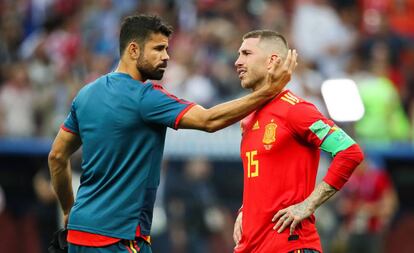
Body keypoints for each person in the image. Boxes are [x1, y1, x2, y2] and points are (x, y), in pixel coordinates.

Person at [48, 15, 298, 253]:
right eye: (158, 49)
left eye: (166, 49)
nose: (166, 56)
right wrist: (267, 92)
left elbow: (57, 157)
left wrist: (69, 209)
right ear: (133, 50)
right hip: (118, 237)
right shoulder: (145, 97)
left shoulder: (86, 95)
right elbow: (209, 120)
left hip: (79, 234)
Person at [232, 30, 364, 253]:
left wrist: (308, 204)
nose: (237, 62)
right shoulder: (248, 118)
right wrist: (246, 210)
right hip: (252, 247)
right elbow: (263, 178)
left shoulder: (295, 110)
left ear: (271, 61)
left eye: (246, 53)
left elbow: (350, 152)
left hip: (291, 246)